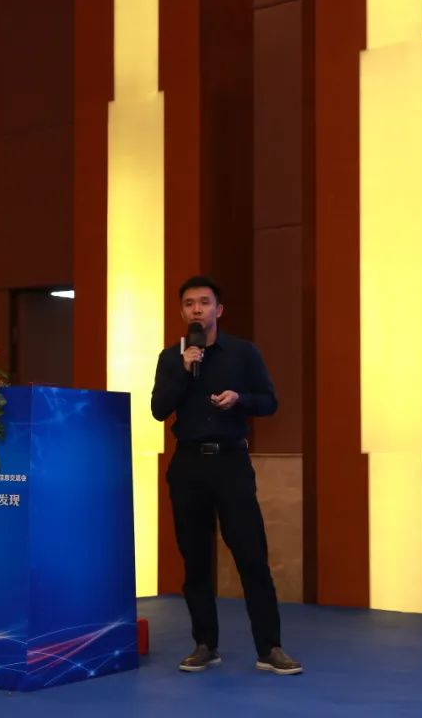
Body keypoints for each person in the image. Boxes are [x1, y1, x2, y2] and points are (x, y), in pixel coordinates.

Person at [150, 275, 303, 676]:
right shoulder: (171, 357)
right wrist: (183, 370)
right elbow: (158, 409)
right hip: (188, 466)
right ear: (182, 311)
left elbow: (269, 402)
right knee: (195, 561)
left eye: (204, 302)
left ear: (218, 310)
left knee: (252, 557)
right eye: (189, 304)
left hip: (231, 463)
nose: (196, 310)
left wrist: (240, 399)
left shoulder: (243, 353)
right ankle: (205, 644)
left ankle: (270, 648)